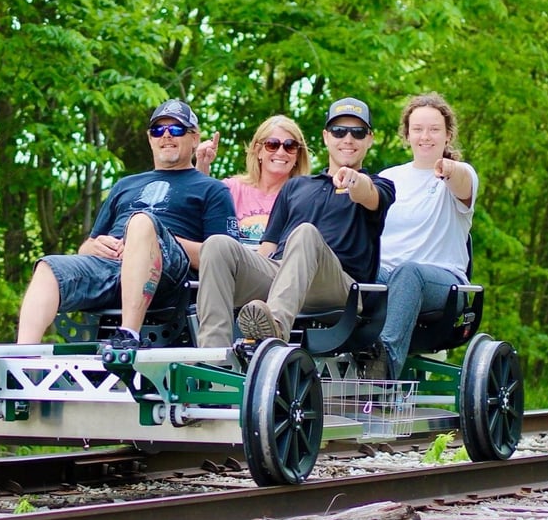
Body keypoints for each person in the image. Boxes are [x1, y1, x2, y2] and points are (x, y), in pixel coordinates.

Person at [17, 99, 239, 346]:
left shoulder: (212, 189)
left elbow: (225, 259)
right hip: (111, 269)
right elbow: (86, 247)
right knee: (48, 267)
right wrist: (96, 247)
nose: (166, 136)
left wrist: (148, 239)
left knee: (141, 223)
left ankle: (127, 337)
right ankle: (23, 358)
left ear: (194, 138)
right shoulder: (125, 185)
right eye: (158, 130)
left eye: (176, 129)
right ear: (149, 138)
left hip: (170, 279)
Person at [196, 97, 396, 347]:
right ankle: (213, 359)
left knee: (305, 234)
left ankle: (274, 328)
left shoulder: (380, 185)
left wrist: (353, 180)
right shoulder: (296, 186)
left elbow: (368, 195)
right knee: (217, 245)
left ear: (369, 139)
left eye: (357, 132)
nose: (347, 139)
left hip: (339, 287)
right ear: (326, 136)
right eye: (338, 131)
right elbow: (267, 250)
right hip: (284, 276)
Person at [335, 92, 478, 379]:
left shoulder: (461, 174)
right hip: (386, 278)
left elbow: (462, 183)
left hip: (443, 283)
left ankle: (383, 365)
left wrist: (449, 169)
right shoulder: (390, 177)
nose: (426, 136)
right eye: (418, 129)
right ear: (407, 135)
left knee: (409, 272)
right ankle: (323, 351)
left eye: (434, 129)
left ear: (448, 135)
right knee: (343, 266)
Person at [195, 115, 311, 242]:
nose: (281, 152)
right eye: (272, 145)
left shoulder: (304, 199)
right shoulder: (231, 189)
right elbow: (196, 209)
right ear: (258, 150)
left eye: (290, 146)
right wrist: (203, 164)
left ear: (298, 155)